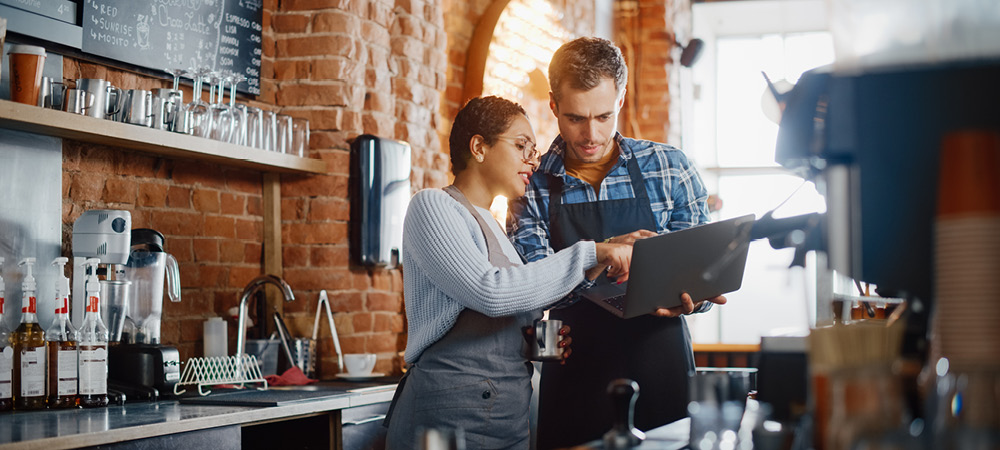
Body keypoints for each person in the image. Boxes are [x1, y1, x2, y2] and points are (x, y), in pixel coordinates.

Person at [507, 37, 728, 448]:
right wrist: (603, 252)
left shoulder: (670, 168)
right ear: (553, 105)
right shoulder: (529, 184)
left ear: (621, 99)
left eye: (604, 116)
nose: (591, 134)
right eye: (574, 118)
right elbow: (529, 285)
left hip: (661, 365)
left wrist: (696, 295)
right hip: (574, 373)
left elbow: (698, 276)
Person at [383, 95, 634, 449]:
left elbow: (504, 305)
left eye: (533, 149)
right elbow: (491, 292)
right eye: (522, 146)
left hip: (506, 419)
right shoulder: (433, 206)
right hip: (446, 420)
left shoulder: (498, 229)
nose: (532, 160)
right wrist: (591, 252)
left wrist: (527, 342)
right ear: (479, 147)